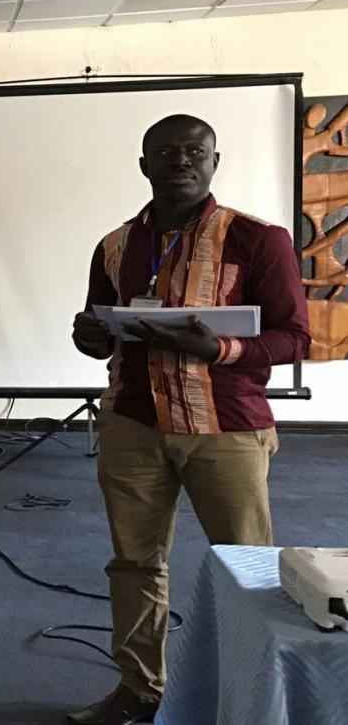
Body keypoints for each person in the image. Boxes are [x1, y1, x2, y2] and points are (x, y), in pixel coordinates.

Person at [67, 114, 310, 725]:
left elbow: (295, 337)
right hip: (132, 423)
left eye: (194, 152)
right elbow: (102, 332)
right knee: (134, 562)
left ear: (214, 162)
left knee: (245, 566)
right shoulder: (115, 245)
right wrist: (89, 336)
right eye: (166, 152)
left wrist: (219, 349)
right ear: (144, 164)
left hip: (226, 428)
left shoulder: (259, 239)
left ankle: (249, 697)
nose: (181, 161)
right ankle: (139, 689)